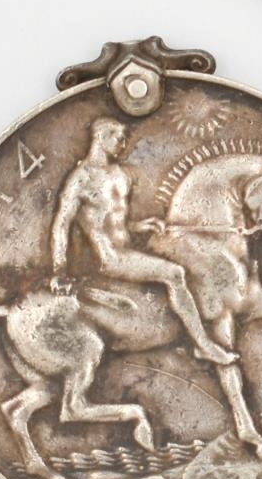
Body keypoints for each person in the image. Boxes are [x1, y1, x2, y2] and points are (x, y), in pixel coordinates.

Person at [48, 118, 234, 365]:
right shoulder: (80, 179)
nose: (123, 143)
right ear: (101, 137)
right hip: (109, 258)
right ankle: (203, 345)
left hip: (126, 250)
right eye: (118, 138)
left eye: (124, 138)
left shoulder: (119, 175)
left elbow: (115, 223)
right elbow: (61, 224)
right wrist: (59, 270)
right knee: (175, 273)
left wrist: (143, 225)